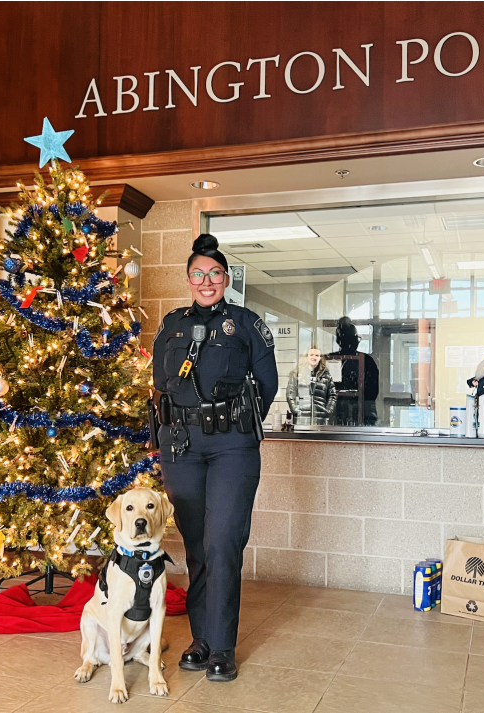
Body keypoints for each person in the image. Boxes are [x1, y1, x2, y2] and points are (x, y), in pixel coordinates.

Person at [151, 234, 278, 682]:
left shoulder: (245, 324)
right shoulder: (171, 325)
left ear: (226, 279)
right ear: (188, 279)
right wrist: (164, 438)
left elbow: (267, 385)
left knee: (223, 542)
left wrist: (234, 423)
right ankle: (201, 640)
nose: (207, 281)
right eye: (198, 274)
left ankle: (223, 646)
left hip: (231, 447)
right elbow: (159, 388)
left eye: (215, 274)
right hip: (181, 447)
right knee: (197, 546)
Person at [327, 316, 380, 426]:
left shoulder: (331, 359)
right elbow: (372, 392)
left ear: (338, 340)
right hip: (357, 414)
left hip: (338, 413)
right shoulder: (367, 360)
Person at [286, 347, 337, 425]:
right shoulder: (297, 374)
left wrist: (327, 411)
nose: (314, 357)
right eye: (311, 355)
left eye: (317, 355)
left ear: (320, 358)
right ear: (306, 357)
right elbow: (290, 394)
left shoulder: (326, 375)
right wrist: (296, 410)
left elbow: (332, 395)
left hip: (320, 419)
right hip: (302, 418)